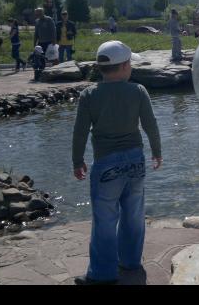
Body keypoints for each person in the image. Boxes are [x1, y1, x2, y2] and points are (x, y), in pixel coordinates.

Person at [71, 40, 162, 285]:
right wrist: (157, 152)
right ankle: (130, 261)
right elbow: (150, 124)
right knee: (133, 214)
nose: (131, 67)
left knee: (105, 219)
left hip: (106, 164)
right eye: (130, 63)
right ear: (123, 67)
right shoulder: (138, 91)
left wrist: (77, 160)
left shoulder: (89, 95)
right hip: (135, 160)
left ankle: (102, 274)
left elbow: (80, 132)